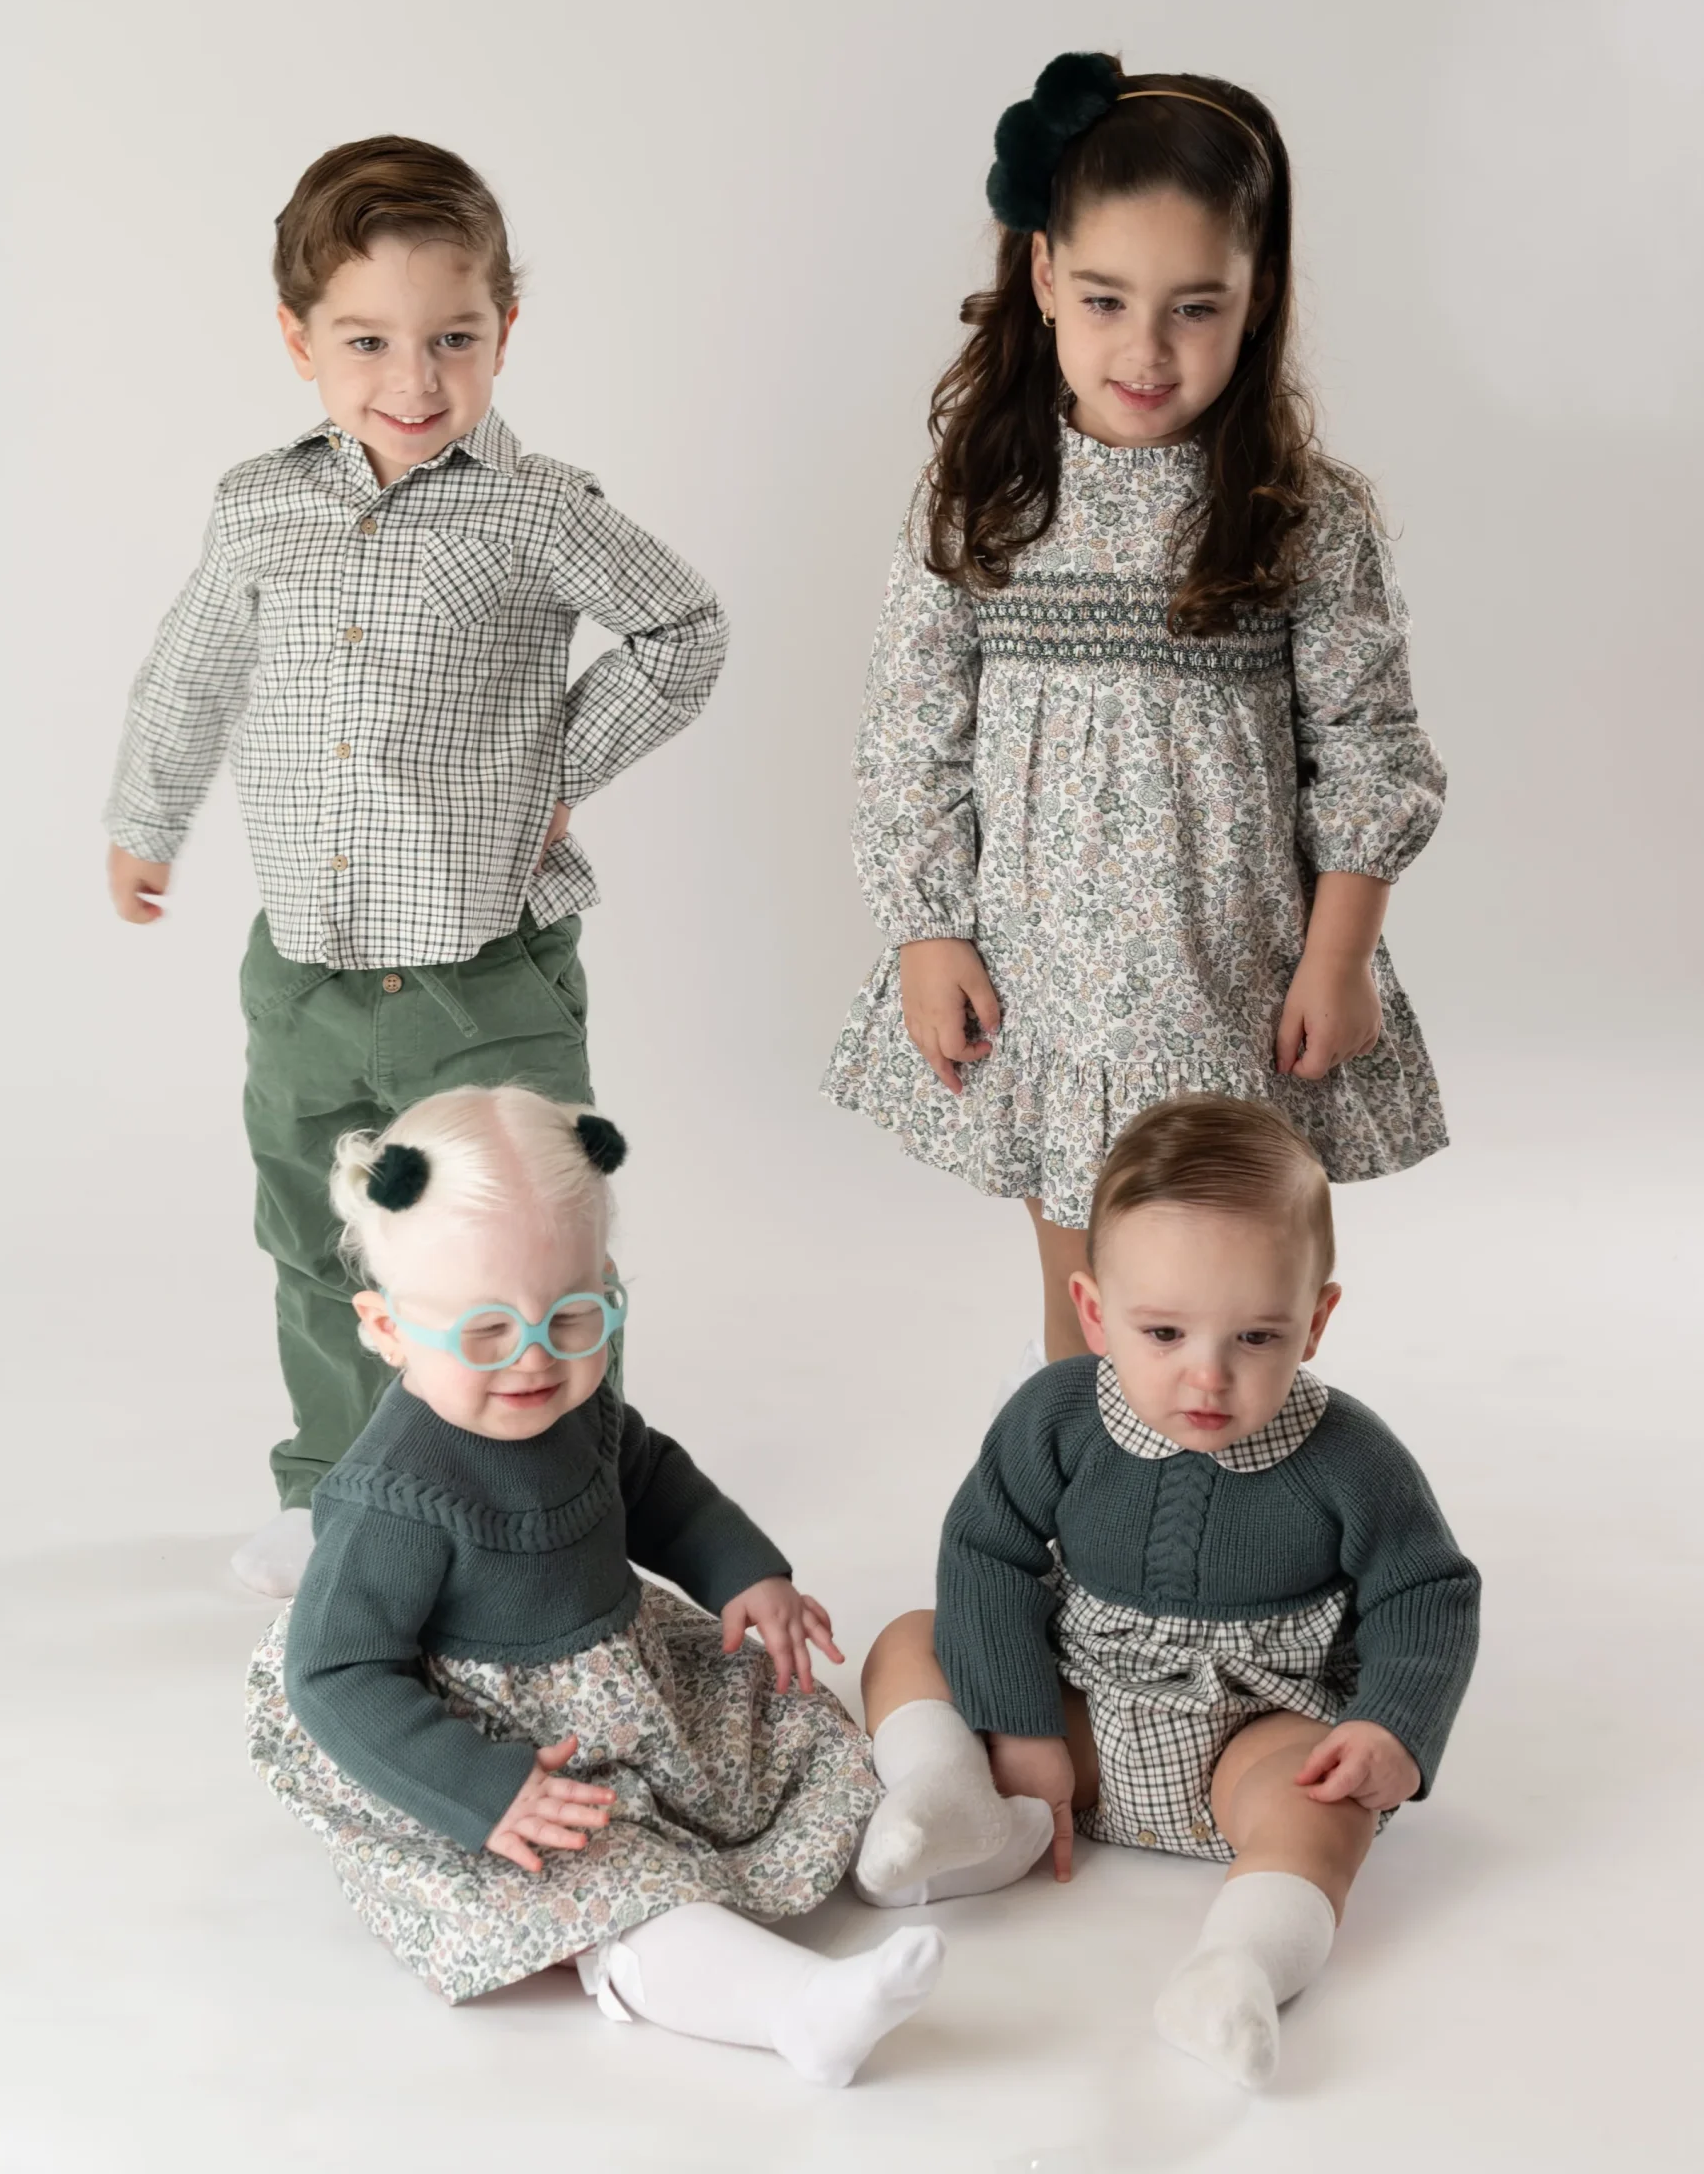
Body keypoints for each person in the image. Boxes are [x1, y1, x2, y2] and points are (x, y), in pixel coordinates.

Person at [103, 136, 728, 1594]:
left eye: (453, 337)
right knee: (319, 1235)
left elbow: (683, 629)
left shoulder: (538, 509)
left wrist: (557, 771)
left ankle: (564, 1494)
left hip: (483, 969)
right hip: (308, 971)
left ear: (505, 327)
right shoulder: (258, 505)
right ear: (299, 341)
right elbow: (191, 670)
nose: (415, 378)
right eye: (368, 341)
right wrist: (147, 819)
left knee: (531, 1239)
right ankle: (339, 1488)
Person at [824, 54, 1446, 1360]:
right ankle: (1076, 1491)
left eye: (1193, 308)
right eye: (1105, 299)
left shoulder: (1300, 515)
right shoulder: (985, 500)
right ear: (1044, 274)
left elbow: (1368, 755)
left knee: (1230, 1291)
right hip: (1048, 985)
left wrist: (1337, 957)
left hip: (1236, 986)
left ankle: (1239, 1492)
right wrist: (927, 931)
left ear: (1255, 298)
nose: (1145, 351)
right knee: (1093, 1300)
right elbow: (910, 735)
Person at [247, 1084, 944, 2083]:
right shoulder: (393, 1497)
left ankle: (917, 1841)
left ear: (606, 1286)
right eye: (486, 1333)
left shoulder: (579, 1406)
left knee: (797, 1723)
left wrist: (744, 1569)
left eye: (573, 1316)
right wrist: (485, 1790)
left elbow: (652, 1482)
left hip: (624, 1679)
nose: (533, 1360)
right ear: (387, 1327)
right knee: (602, 1875)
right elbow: (335, 1673)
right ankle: (790, 2007)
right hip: (503, 1748)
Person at [852, 1094, 1478, 2092]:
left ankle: (1238, 1966)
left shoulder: (1350, 1457)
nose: (1208, 1376)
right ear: (1095, 1311)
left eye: (1256, 1337)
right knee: (909, 1640)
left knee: (1326, 1801)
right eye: (1165, 1331)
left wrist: (1394, 1728)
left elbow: (1427, 1591)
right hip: (1079, 1711)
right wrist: (1019, 1723)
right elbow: (986, 1550)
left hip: (1254, 1728)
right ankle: (957, 1800)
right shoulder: (1056, 1417)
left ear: (1316, 1320)